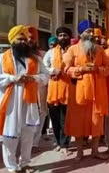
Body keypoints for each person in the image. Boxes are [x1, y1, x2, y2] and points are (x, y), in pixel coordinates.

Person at [0, 25, 49, 173]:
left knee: (28, 132)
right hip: (11, 102)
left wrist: (32, 78)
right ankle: (12, 166)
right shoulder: (2, 58)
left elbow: (45, 76)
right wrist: (13, 78)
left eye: (25, 39)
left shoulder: (35, 59)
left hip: (30, 101)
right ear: (12, 41)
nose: (23, 42)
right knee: (10, 134)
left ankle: (25, 162)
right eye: (19, 39)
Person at [64, 20, 109, 161]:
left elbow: (108, 68)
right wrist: (81, 69)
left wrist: (97, 69)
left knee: (96, 122)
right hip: (79, 93)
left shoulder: (100, 50)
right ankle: (79, 152)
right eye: (87, 31)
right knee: (78, 123)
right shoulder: (72, 50)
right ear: (81, 33)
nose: (90, 34)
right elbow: (66, 69)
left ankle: (95, 151)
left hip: (98, 92)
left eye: (92, 31)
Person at [43, 27, 73, 155]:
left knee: (65, 119)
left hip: (68, 89)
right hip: (53, 89)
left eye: (65, 35)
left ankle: (65, 144)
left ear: (69, 37)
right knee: (54, 119)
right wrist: (52, 71)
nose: (62, 38)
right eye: (60, 35)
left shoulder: (73, 51)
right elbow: (44, 67)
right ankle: (59, 142)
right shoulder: (50, 52)